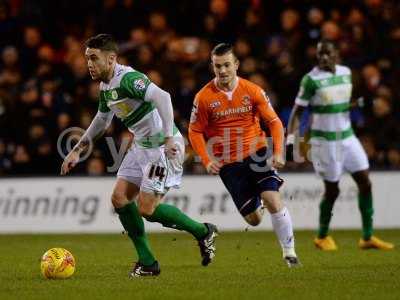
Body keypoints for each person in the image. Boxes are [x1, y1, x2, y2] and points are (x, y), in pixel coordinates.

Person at [60, 34, 218, 277]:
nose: (88, 63)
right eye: (87, 58)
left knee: (147, 208)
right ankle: (148, 262)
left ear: (111, 59)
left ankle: (202, 231)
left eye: (94, 58)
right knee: (120, 198)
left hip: (162, 148)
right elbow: (102, 121)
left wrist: (167, 136)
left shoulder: (128, 79)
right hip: (141, 146)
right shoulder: (106, 86)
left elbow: (163, 97)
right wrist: (77, 150)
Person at [188, 43, 300, 267]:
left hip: (257, 153)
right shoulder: (203, 97)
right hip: (228, 163)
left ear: (236, 65)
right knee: (254, 219)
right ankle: (257, 204)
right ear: (212, 67)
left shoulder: (253, 90)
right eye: (217, 66)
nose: (222, 71)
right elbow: (195, 131)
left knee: (273, 199)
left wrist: (278, 152)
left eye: (227, 65)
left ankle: (290, 254)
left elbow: (275, 122)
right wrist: (207, 160)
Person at [287, 39, 394, 251]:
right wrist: (292, 140)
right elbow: (297, 112)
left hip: (348, 137)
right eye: (320, 54)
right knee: (333, 190)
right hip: (325, 141)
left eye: (327, 53)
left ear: (337, 53)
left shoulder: (346, 73)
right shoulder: (310, 80)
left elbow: (340, 102)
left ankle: (367, 237)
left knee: (365, 182)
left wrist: (357, 104)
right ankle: (322, 236)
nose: (324, 58)